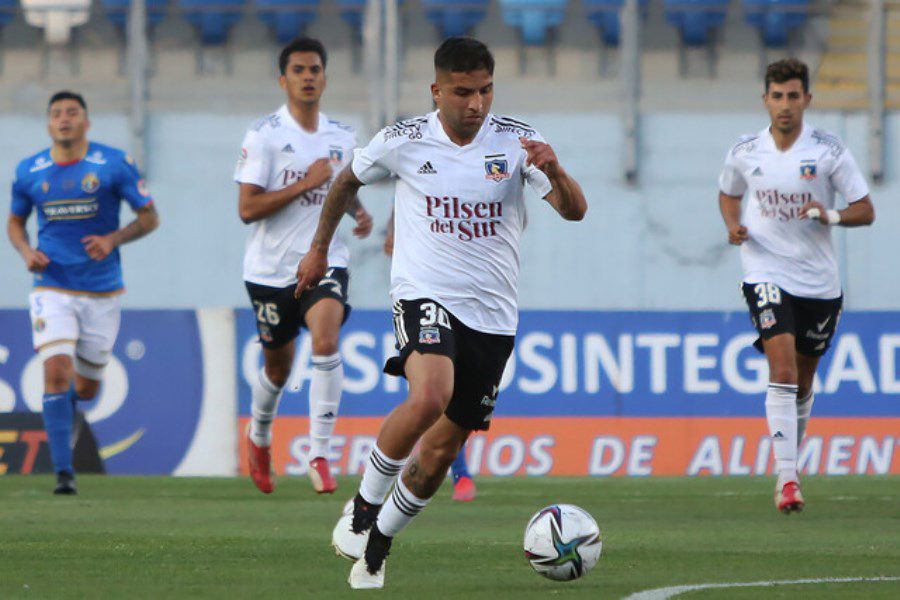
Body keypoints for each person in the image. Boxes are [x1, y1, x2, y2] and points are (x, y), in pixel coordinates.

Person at [296, 37, 587, 588]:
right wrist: (317, 250)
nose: (476, 103)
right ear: (437, 91)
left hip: (494, 317)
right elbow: (346, 182)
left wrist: (559, 170)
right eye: (463, 92)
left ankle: (377, 547)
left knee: (440, 452)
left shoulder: (520, 142)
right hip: (423, 292)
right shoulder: (403, 140)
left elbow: (574, 212)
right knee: (428, 394)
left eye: (484, 91)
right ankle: (361, 507)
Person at [718, 58, 874, 514]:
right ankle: (787, 480)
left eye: (793, 96)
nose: (785, 105)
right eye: (777, 96)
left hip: (819, 283)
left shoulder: (828, 150)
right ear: (765, 100)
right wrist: (733, 225)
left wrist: (830, 215)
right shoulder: (745, 150)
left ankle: (792, 466)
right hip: (764, 271)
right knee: (781, 369)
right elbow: (729, 194)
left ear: (807, 99)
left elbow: (865, 209)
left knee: (803, 380)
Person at [234, 37, 373, 496]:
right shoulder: (265, 135)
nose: (308, 76)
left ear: (325, 77)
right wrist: (304, 184)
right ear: (284, 79)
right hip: (270, 272)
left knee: (327, 338)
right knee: (277, 369)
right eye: (299, 70)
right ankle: (258, 436)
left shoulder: (342, 135)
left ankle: (319, 454)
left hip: (325, 260)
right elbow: (248, 209)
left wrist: (357, 210)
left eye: (315, 69)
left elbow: (340, 189)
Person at [6, 91, 159, 495]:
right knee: (55, 372)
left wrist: (113, 239)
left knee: (87, 389)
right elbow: (15, 224)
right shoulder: (29, 171)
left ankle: (67, 414)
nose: (64, 119)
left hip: (101, 290)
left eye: (72, 112)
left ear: (86, 121)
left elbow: (149, 217)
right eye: (56, 113)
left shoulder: (113, 164)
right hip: (51, 285)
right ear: (48, 123)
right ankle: (63, 473)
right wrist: (26, 252)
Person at [384, 210, 476, 503]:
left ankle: (458, 473)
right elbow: (400, 203)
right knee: (431, 395)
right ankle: (458, 474)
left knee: (454, 394)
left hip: (472, 302)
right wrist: (392, 230)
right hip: (424, 298)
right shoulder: (419, 173)